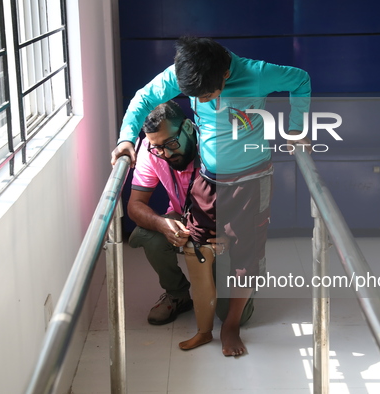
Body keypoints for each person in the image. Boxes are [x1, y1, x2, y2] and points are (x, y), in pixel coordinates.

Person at [112, 37, 311, 357]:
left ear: (226, 75)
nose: (202, 100)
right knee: (197, 250)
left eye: (207, 94)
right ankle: (204, 330)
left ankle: (230, 325)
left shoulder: (257, 73)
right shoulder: (183, 74)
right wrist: (125, 138)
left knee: (244, 257)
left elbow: (300, 80)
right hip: (208, 178)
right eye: (196, 97)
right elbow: (144, 97)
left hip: (251, 179)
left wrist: (297, 127)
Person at [127, 100, 254, 327]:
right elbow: (135, 205)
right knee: (147, 234)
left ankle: (245, 285)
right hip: (183, 217)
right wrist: (162, 224)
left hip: (224, 225)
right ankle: (177, 295)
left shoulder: (219, 145)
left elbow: (254, 203)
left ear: (187, 127)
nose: (165, 153)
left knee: (232, 316)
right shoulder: (152, 150)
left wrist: (232, 235)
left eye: (171, 143)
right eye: (157, 147)